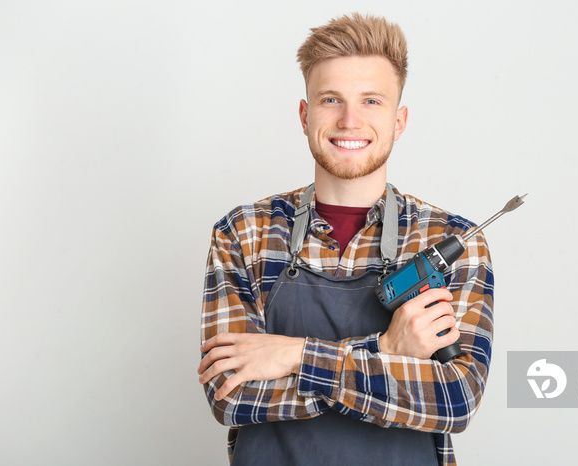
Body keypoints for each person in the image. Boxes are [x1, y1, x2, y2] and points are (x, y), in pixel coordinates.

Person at [198, 13, 494, 466]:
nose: (349, 120)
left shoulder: (452, 240)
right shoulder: (244, 232)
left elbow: (455, 400)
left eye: (371, 101)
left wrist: (294, 354)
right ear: (305, 114)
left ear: (399, 121)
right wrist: (387, 351)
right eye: (331, 99)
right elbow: (232, 395)